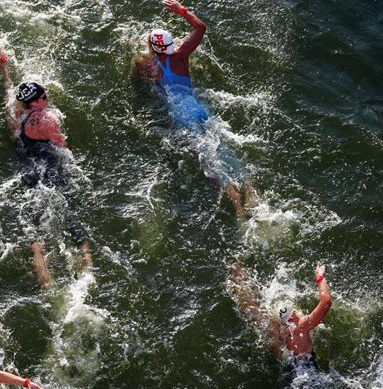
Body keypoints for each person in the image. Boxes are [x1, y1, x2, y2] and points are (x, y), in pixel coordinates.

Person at [134, 0, 253, 218]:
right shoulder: (180, 56)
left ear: (151, 47)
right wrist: (181, 10)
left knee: (210, 162)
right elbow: (200, 28)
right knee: (223, 148)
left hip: (181, 116)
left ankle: (237, 207)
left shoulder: (145, 64)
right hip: (198, 108)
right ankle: (251, 193)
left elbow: (140, 81)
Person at [0, 48, 92, 286]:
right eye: (44, 96)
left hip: (26, 165)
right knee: (69, 212)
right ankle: (86, 261)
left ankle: (41, 268)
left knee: (35, 218)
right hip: (48, 165)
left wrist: (4, 67)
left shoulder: (15, 112)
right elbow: (62, 147)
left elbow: (8, 89)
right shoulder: (47, 120)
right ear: (38, 101)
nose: (47, 97)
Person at [228, 262, 333, 364]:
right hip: (308, 369)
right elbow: (326, 301)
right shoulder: (300, 326)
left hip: (289, 373)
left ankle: (238, 282)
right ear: (292, 316)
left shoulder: (276, 334)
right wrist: (319, 276)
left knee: (256, 314)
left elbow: (253, 311)